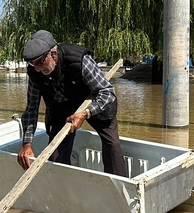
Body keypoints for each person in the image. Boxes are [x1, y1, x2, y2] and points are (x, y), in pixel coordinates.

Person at [18, 30, 128, 177]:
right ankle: (64, 191)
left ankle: (119, 188)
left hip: (93, 104)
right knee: (56, 156)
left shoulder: (79, 60)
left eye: (40, 62)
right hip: (62, 109)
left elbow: (108, 92)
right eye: (33, 64)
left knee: (112, 145)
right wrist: (26, 144)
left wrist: (86, 113)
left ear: (54, 54)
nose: (37, 68)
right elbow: (31, 109)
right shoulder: (35, 72)